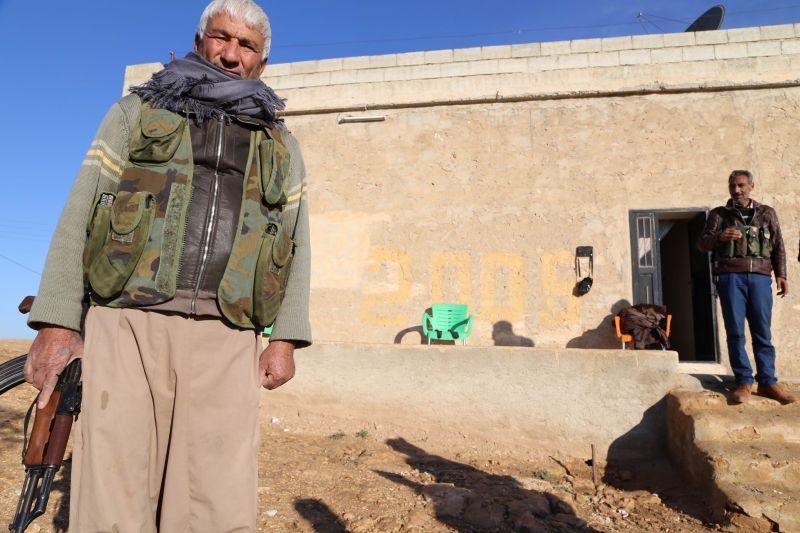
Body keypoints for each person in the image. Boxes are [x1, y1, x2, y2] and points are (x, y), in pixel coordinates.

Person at [23, 0, 311, 529]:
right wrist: (57, 322)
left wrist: (286, 337)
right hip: (128, 321)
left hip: (228, 335)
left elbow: (296, 242)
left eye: (246, 46)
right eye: (221, 38)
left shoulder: (280, 144)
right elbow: (81, 209)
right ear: (201, 42)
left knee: (216, 501)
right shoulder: (136, 112)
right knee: (113, 490)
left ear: (262, 63)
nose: (231, 55)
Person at [697, 170, 794, 405]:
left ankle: (768, 381)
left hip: (760, 277)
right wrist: (720, 237)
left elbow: (778, 244)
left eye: (741, 185)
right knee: (736, 332)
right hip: (731, 277)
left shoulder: (766, 213)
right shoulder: (719, 215)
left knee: (762, 331)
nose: (736, 190)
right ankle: (743, 381)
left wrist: (781, 274)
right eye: (732, 186)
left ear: (752, 185)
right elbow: (702, 243)